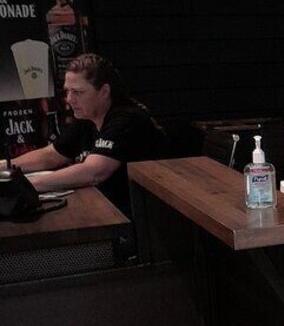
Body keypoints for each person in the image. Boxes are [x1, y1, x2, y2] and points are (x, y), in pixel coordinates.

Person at [11, 53, 167, 217]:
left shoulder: (127, 119)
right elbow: (51, 155)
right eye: (67, 91)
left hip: (142, 218)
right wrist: (6, 166)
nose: (69, 99)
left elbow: (94, 172)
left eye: (77, 92)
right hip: (109, 208)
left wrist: (23, 186)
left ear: (104, 91)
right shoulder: (88, 116)